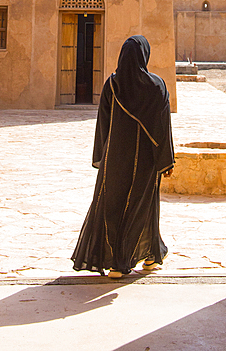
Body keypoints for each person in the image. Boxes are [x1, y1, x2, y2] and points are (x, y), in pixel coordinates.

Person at [71, 34, 175, 278]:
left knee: (114, 206)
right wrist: (166, 160)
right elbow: (162, 127)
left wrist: (102, 156)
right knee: (142, 205)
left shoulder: (112, 85)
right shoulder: (156, 86)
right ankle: (123, 262)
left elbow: (103, 125)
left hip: (115, 159)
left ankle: (147, 256)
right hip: (145, 161)